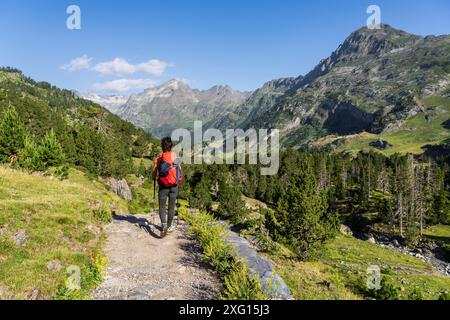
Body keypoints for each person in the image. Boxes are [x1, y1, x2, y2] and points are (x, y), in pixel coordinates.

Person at [153, 137, 183, 238]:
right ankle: (169, 226)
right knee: (171, 206)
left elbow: (154, 174)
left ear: (162, 146)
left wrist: (155, 178)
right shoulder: (175, 157)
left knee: (162, 206)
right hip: (174, 185)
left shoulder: (159, 158)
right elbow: (179, 171)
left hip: (163, 185)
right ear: (171, 146)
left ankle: (164, 225)